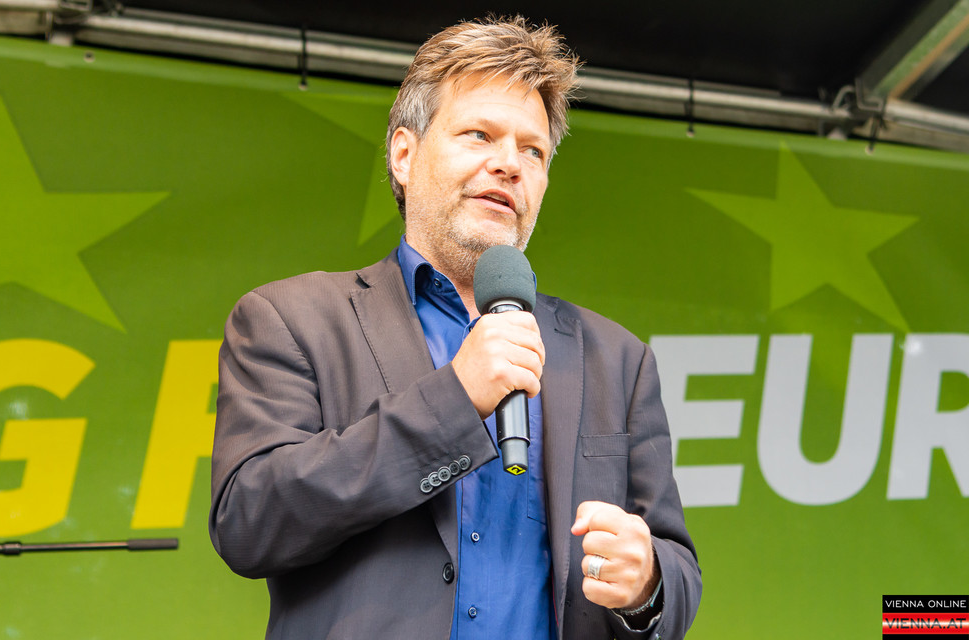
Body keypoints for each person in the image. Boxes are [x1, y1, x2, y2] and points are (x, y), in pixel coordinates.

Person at [210, 15, 701, 640]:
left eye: (533, 151)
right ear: (404, 154)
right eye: (479, 135)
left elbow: (677, 570)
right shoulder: (292, 320)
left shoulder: (616, 360)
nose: (510, 164)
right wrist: (455, 400)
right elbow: (249, 522)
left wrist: (647, 582)